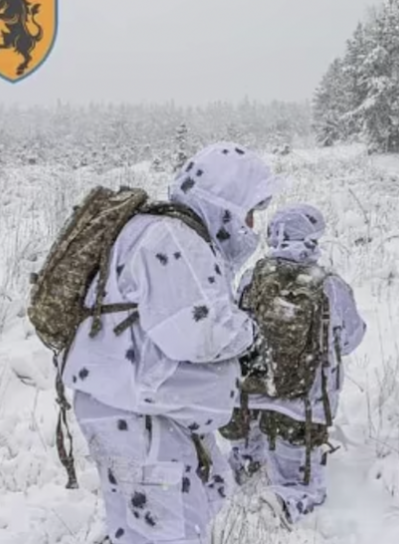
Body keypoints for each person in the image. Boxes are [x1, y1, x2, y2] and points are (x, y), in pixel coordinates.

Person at [61, 143, 278, 544]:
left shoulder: (159, 230)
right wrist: (251, 335)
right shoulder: (174, 237)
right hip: (140, 417)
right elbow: (199, 332)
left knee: (147, 528)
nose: (250, 224)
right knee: (166, 534)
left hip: (135, 411)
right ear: (224, 201)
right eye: (248, 210)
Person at [220, 204, 367, 528]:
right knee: (302, 485)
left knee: (244, 455)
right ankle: (283, 506)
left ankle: (233, 483)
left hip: (248, 396)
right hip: (303, 404)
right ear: (312, 239)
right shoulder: (330, 285)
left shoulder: (251, 278)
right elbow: (353, 337)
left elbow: (232, 329)